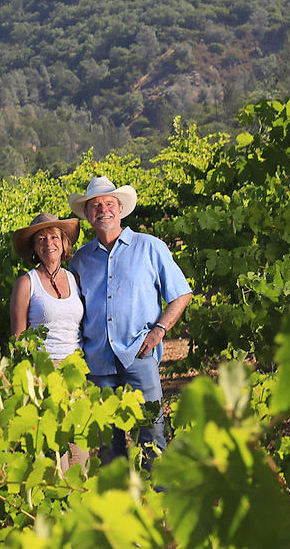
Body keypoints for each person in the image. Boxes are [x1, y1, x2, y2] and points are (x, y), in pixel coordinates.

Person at [67, 176, 192, 466]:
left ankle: (159, 504)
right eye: (95, 206)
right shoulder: (80, 260)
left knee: (152, 435)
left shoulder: (151, 247)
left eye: (109, 204)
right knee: (109, 447)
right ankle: (120, 508)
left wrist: (159, 330)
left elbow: (181, 294)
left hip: (140, 354)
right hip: (97, 361)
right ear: (87, 214)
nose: (103, 210)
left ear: (120, 209)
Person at [8, 212, 83, 361]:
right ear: (34, 248)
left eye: (54, 237)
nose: (48, 243)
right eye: (41, 239)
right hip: (41, 367)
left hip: (77, 367)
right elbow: (18, 338)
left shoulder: (75, 280)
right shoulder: (26, 283)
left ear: (63, 242)